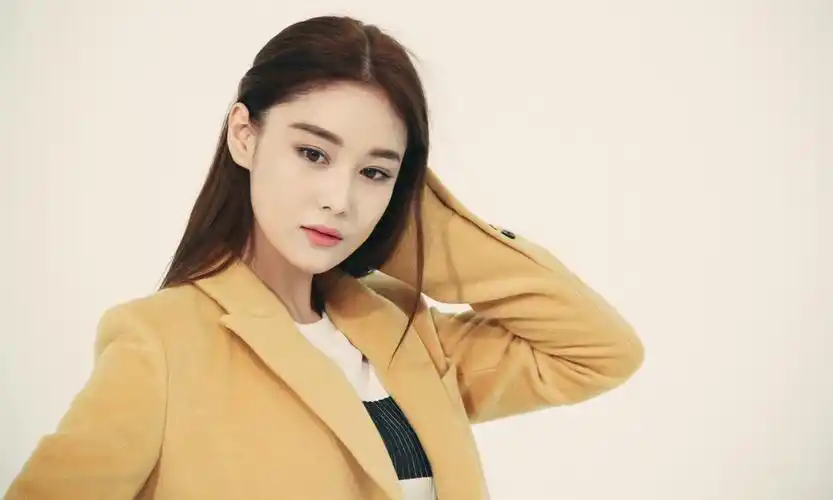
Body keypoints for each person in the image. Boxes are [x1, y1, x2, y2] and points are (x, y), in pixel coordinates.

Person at [5, 15, 644, 500]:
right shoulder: (161, 343)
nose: (340, 199)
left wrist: (413, 226)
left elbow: (598, 352)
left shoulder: (405, 332)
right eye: (313, 154)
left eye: (374, 171)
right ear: (244, 136)